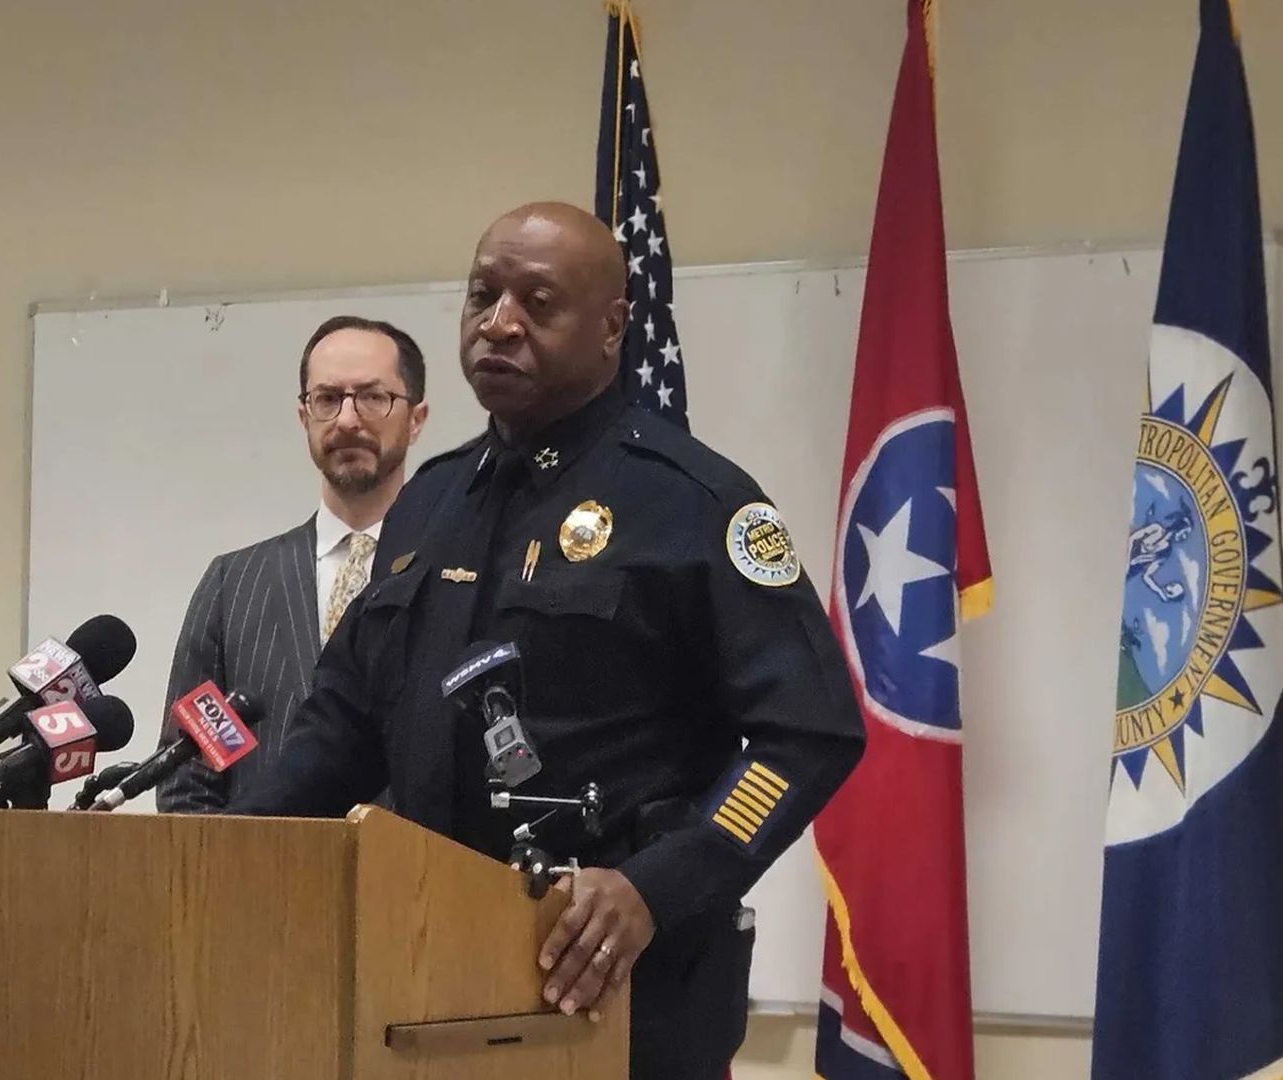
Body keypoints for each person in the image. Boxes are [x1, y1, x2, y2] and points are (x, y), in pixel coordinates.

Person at [235, 202, 865, 1078]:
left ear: (611, 328)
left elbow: (812, 731)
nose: (500, 323)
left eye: (537, 302)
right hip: (428, 994)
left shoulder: (692, 503)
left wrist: (661, 885)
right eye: (483, 296)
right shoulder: (431, 501)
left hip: (624, 1001)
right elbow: (340, 721)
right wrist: (225, 855)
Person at [155, 315, 429, 813]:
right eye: (328, 399)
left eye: (372, 396)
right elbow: (186, 779)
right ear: (305, 418)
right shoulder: (233, 585)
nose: (348, 419)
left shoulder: (449, 574)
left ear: (416, 419)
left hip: (415, 881)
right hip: (259, 881)